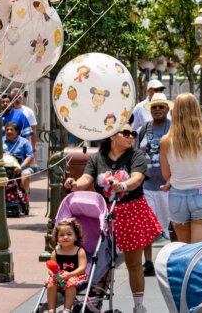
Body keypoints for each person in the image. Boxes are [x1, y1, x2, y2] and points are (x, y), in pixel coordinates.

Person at [65, 121, 162, 313]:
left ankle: (138, 306)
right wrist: (75, 184)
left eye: (133, 133)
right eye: (126, 133)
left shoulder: (137, 155)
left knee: (133, 262)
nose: (131, 136)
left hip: (132, 211)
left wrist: (124, 185)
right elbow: (87, 179)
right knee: (104, 258)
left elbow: (137, 178)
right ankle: (97, 300)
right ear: (112, 136)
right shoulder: (98, 158)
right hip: (106, 213)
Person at [160, 93, 202, 244]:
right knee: (198, 251)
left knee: (185, 249)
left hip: (177, 196)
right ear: (197, 110)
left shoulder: (166, 141)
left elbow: (166, 174)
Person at [136, 92, 172, 277]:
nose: (157, 109)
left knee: (172, 225)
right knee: (147, 226)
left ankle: (173, 259)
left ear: (167, 109)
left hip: (169, 186)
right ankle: (148, 262)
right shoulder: (143, 129)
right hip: (147, 185)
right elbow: (135, 153)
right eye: (154, 107)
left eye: (161, 106)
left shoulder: (173, 128)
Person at [44, 218, 87, 313]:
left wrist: (70, 274)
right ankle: (51, 309)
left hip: (76, 276)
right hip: (60, 278)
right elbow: (51, 268)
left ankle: (67, 309)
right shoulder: (55, 252)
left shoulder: (79, 251)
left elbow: (82, 268)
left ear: (75, 237)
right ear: (57, 238)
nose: (65, 237)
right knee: (51, 283)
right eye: (62, 235)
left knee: (71, 282)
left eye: (69, 234)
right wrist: (53, 274)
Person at [2, 122, 35, 197]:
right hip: (4, 168)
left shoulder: (24, 142)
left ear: (16, 131)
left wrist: (22, 167)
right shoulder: (0, 141)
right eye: (7, 130)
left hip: (21, 167)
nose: (9, 131)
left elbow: (30, 156)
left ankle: (23, 196)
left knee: (26, 175)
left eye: (11, 129)